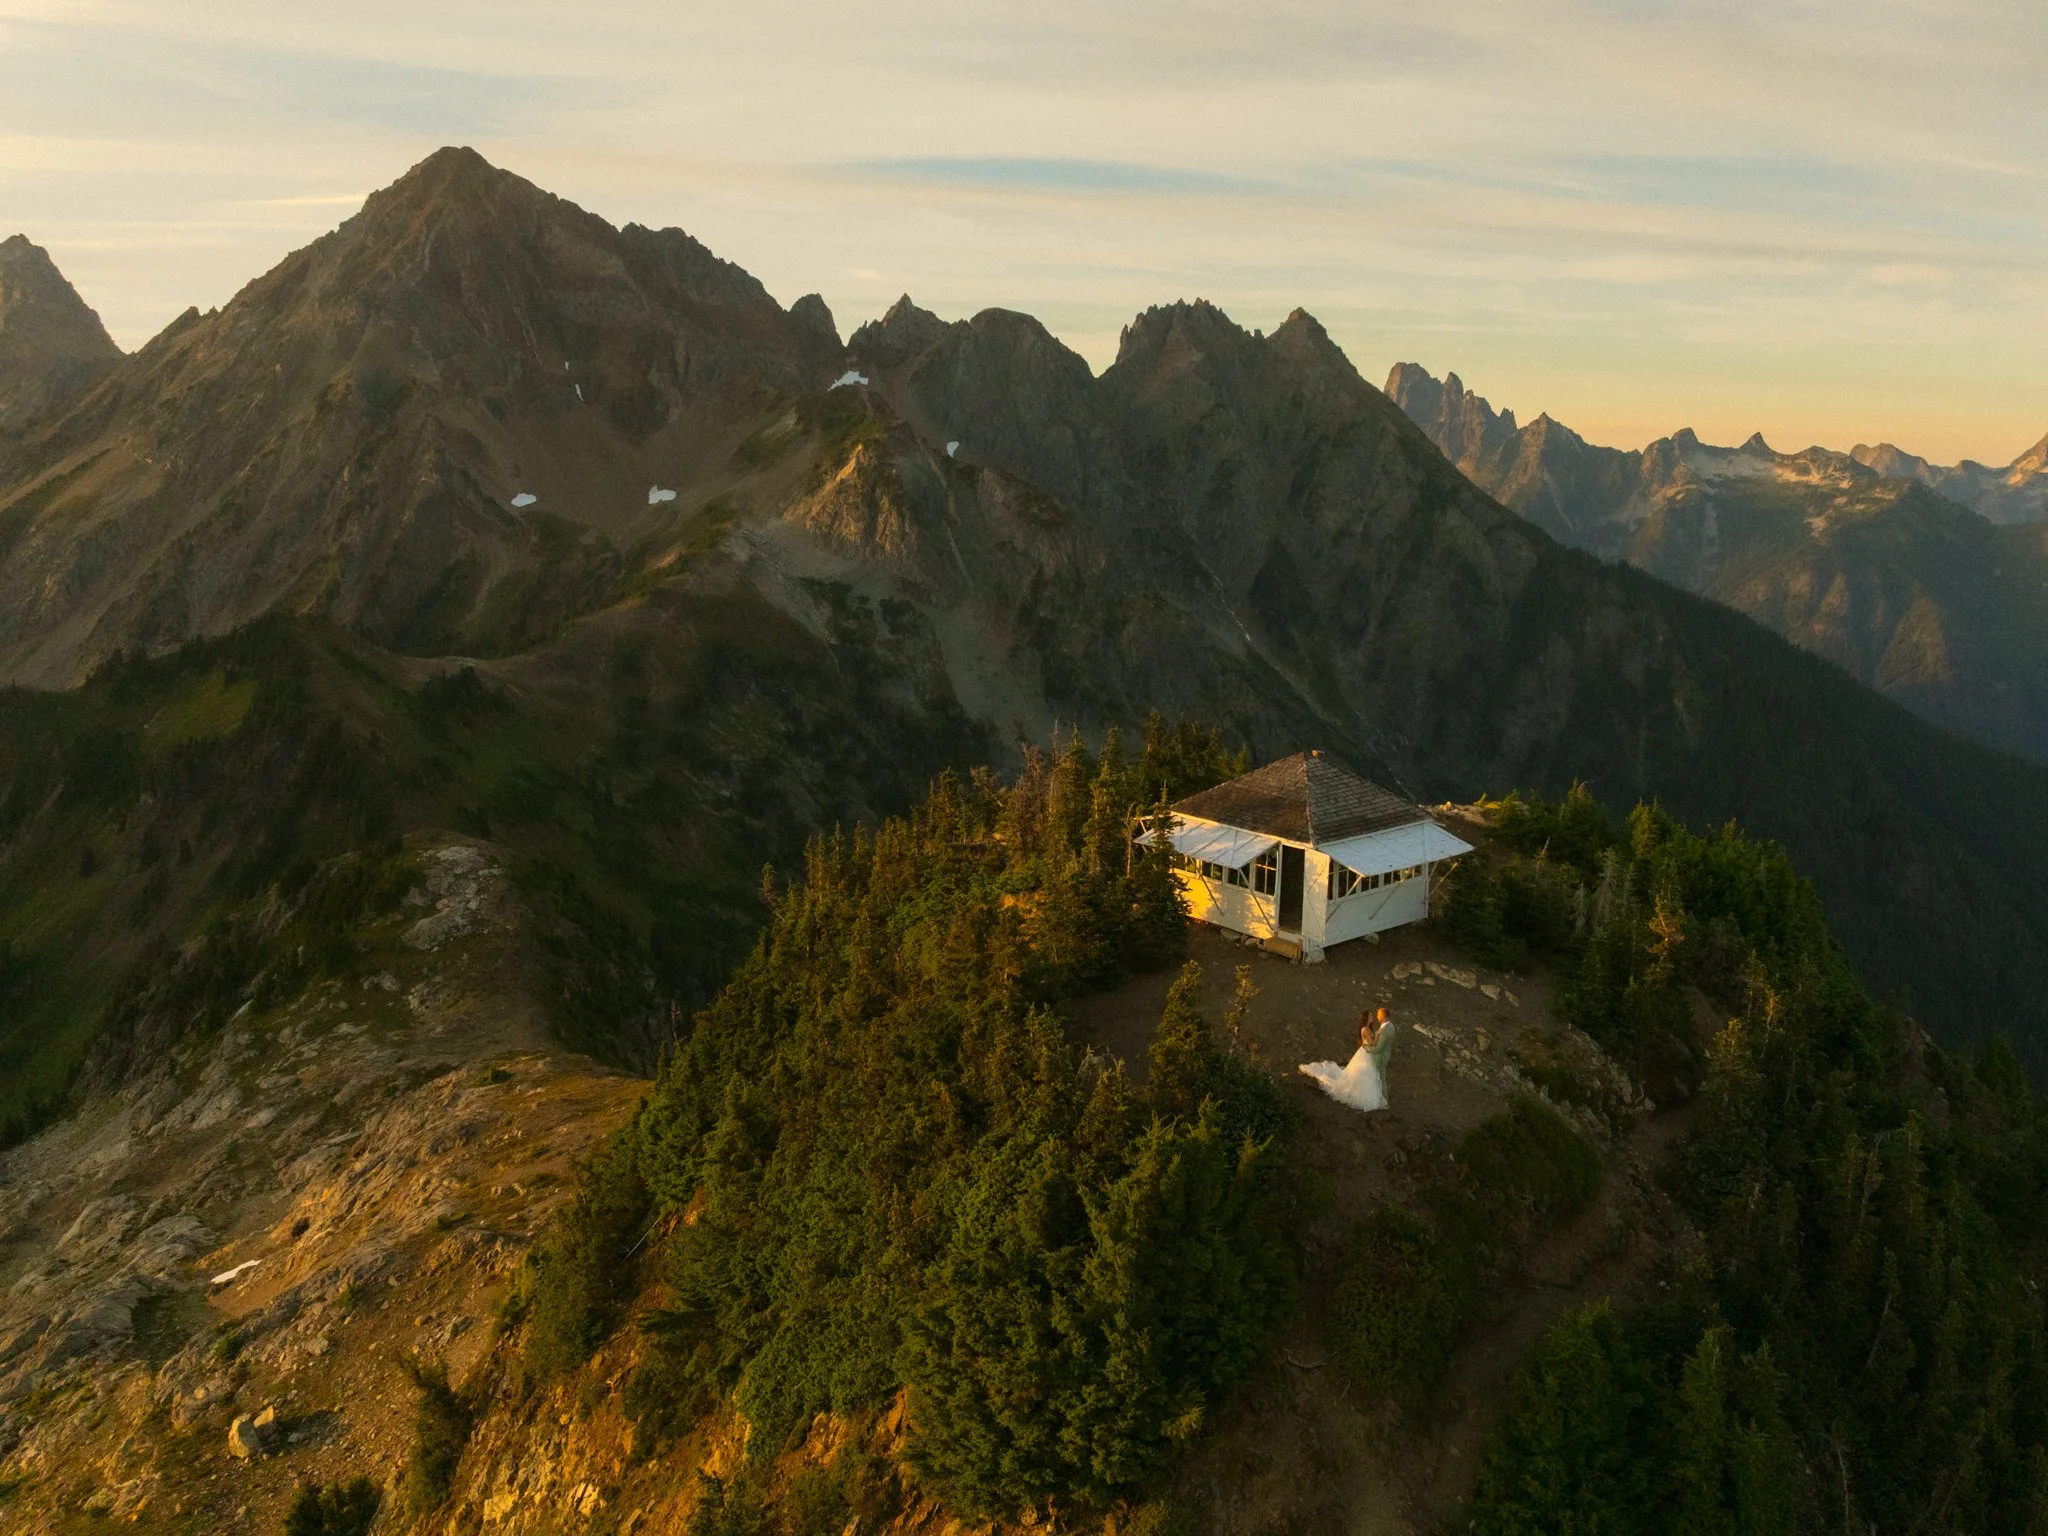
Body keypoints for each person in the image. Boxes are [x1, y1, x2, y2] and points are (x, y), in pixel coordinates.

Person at [1299, 1006, 1396, 1113]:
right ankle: (1371, 1096)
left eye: (1375, 1015)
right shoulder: (1365, 1029)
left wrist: (1375, 1037)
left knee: (1370, 1075)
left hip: (1369, 1053)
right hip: (1367, 1053)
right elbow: (1372, 1043)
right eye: (1371, 1016)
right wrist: (1376, 1037)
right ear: (1367, 1018)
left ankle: (1378, 1096)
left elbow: (1372, 1044)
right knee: (1366, 1075)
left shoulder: (1372, 1029)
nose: (1374, 1017)